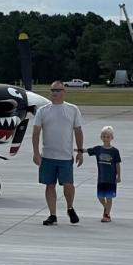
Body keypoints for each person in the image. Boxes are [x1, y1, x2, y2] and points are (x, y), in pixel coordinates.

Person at [31, 81, 84, 226]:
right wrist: (36, 153)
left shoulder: (72, 109)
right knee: (50, 185)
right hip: (48, 156)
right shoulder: (43, 110)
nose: (55, 93)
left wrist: (80, 151)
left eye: (58, 90)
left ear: (64, 91)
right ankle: (52, 214)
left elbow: (78, 131)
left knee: (68, 184)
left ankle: (70, 207)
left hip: (65, 156)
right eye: (53, 90)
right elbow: (36, 132)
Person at [86, 125, 121, 222]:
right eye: (104, 136)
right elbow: (88, 150)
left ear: (112, 138)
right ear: (101, 137)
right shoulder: (98, 149)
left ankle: (107, 215)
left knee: (109, 197)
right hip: (101, 178)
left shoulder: (115, 151)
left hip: (111, 179)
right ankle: (106, 208)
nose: (106, 138)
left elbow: (117, 164)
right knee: (100, 196)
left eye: (108, 136)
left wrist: (119, 176)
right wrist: (79, 150)